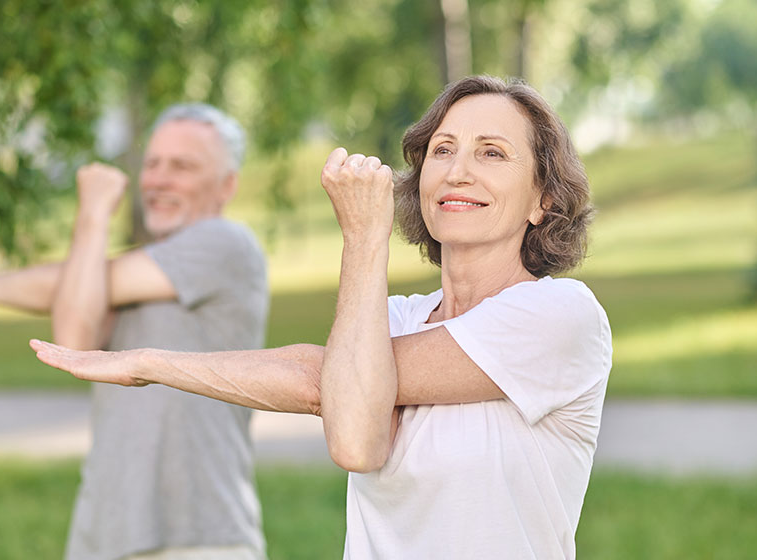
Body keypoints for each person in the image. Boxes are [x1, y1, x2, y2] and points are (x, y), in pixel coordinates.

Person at [31, 76, 612, 559]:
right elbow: (357, 436)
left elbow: (324, 386)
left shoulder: (559, 315)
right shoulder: (393, 319)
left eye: (492, 152)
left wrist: (363, 236)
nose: (458, 170)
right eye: (442, 149)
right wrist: (146, 361)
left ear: (544, 200)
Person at [0, 103, 269, 560]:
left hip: (197, 534)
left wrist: (93, 213)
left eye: (181, 166)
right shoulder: (116, 275)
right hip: (104, 530)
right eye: (152, 163)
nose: (159, 180)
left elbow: (78, 294)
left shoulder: (227, 244)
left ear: (227, 185)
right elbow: (74, 343)